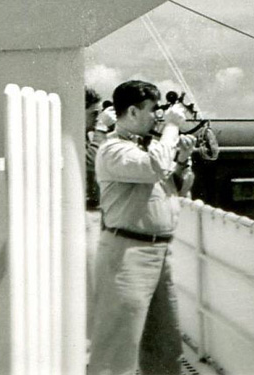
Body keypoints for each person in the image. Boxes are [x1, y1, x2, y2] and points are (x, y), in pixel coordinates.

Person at [88, 80, 196, 375]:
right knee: (117, 345)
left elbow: (173, 187)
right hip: (127, 254)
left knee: (164, 344)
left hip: (157, 253)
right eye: (152, 110)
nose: (157, 117)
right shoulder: (113, 150)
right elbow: (153, 169)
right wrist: (173, 127)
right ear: (133, 111)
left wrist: (183, 162)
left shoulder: (147, 148)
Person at [85, 87, 117, 342]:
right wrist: (101, 130)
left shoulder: (91, 134)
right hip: (86, 218)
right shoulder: (87, 136)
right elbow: (91, 164)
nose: (97, 118)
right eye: (93, 113)